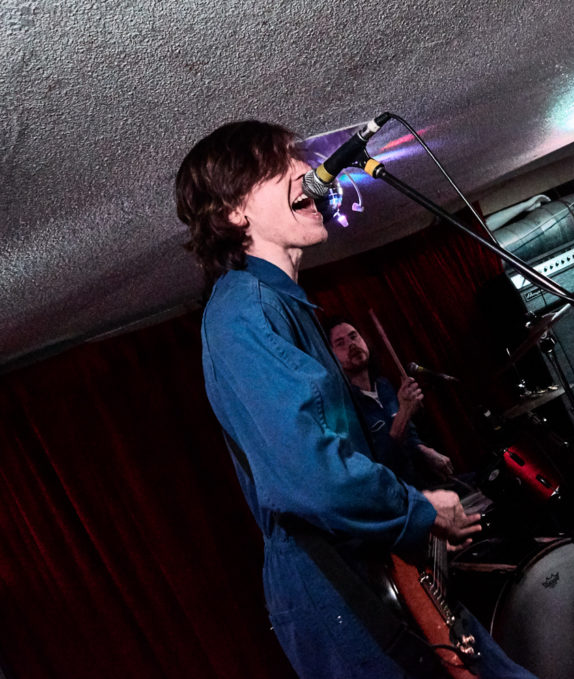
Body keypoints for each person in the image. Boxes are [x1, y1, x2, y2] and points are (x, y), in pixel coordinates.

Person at [176, 120, 534, 679]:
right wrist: (417, 512)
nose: (306, 170)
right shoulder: (244, 313)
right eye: (278, 167)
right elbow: (312, 478)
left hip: (362, 555)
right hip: (328, 574)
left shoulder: (283, 305)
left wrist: (415, 506)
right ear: (233, 213)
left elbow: (344, 452)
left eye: (298, 157)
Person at [327, 319, 454, 488]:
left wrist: (425, 450)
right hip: (396, 496)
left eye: (353, 336)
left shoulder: (384, 386)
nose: (351, 344)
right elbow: (381, 464)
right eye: (340, 343)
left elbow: (409, 436)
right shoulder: (344, 407)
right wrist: (405, 412)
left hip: (420, 485)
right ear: (331, 356)